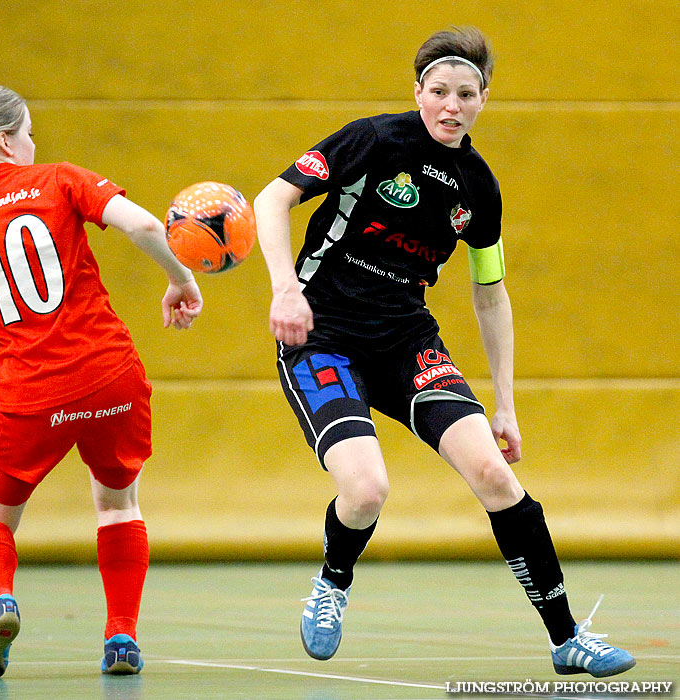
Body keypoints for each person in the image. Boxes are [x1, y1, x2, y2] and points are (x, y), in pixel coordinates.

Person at [253, 27, 635, 677]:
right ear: (417, 92)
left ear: (485, 98)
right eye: (438, 92)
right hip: (322, 335)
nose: (450, 106)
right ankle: (331, 584)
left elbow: (491, 292)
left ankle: (568, 637)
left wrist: (505, 404)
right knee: (368, 488)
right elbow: (272, 197)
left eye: (465, 93)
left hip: (406, 342)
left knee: (494, 474)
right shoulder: (371, 140)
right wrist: (286, 291)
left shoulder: (479, 189)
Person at [0, 85, 202, 679]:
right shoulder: (60, 179)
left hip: (28, 398)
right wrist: (181, 280)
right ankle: (122, 638)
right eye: (27, 131)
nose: (33, 142)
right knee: (117, 505)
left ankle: (0, 601)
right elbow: (147, 226)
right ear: (5, 139)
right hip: (111, 379)